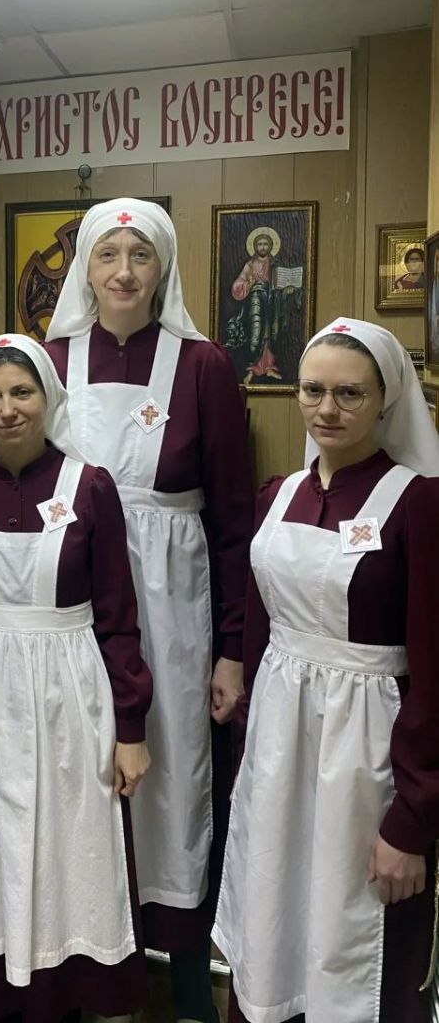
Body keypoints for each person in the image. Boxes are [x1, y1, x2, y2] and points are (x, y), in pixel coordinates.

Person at [45, 198, 254, 1023]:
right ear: (85, 269)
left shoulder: (203, 365)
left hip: (173, 598)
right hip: (73, 595)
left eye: (140, 255)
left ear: (163, 268)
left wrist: (232, 647)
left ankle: (184, 975)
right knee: (81, 765)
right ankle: (88, 966)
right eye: (108, 255)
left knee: (171, 774)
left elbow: (233, 519)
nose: (124, 272)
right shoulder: (51, 358)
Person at [214, 318, 439, 1023]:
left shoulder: (417, 503)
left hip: (367, 754)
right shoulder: (278, 494)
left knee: (355, 930)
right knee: (274, 914)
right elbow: (260, 627)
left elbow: (434, 674)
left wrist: (413, 822)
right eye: (313, 390)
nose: (327, 409)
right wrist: (250, 740)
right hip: (280, 750)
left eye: (349, 393)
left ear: (385, 400)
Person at [0, 333, 154, 1023]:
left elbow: (118, 615)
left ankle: (69, 999)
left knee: (72, 849)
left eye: (22, 392)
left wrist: (130, 729)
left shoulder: (90, 486)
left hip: (69, 695)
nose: (8, 409)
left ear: (49, 397)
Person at [226, 230, 298, 383]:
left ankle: (269, 367)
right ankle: (252, 369)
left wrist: (288, 289)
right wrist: (248, 284)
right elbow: (239, 282)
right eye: (260, 244)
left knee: (271, 333)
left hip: (273, 302)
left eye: (266, 244)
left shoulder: (275, 264)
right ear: (255, 246)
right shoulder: (250, 265)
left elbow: (283, 282)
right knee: (256, 331)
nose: (263, 247)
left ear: (271, 246)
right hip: (256, 301)